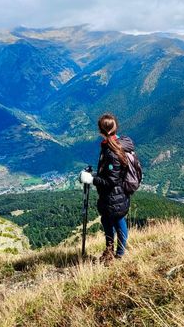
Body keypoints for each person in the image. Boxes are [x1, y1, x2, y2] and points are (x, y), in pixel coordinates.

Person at [80, 113, 135, 265]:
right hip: (110, 196)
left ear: (100, 131)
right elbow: (109, 174)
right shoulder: (110, 145)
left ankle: (119, 255)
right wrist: (94, 174)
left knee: (118, 222)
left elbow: (111, 180)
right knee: (107, 221)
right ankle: (110, 251)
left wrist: (92, 180)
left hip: (114, 196)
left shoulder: (112, 151)